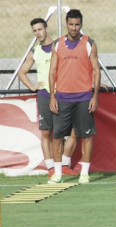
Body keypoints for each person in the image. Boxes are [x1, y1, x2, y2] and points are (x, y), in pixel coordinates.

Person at [18, 18, 78, 177]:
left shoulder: (60, 46)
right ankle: (51, 168)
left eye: (40, 29)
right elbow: (21, 73)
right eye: (35, 31)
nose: (38, 33)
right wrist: (32, 86)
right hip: (45, 95)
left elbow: (76, 65)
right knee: (46, 132)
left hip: (64, 94)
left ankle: (65, 164)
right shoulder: (35, 51)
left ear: (47, 28)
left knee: (74, 130)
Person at [48, 9, 101, 184]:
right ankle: (57, 173)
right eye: (71, 24)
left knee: (86, 136)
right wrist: (52, 97)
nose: (74, 28)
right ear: (66, 24)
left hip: (84, 97)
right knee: (57, 137)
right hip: (62, 98)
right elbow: (52, 71)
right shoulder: (57, 44)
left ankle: (84, 173)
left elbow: (96, 71)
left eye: (77, 24)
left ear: (81, 24)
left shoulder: (89, 43)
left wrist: (95, 96)